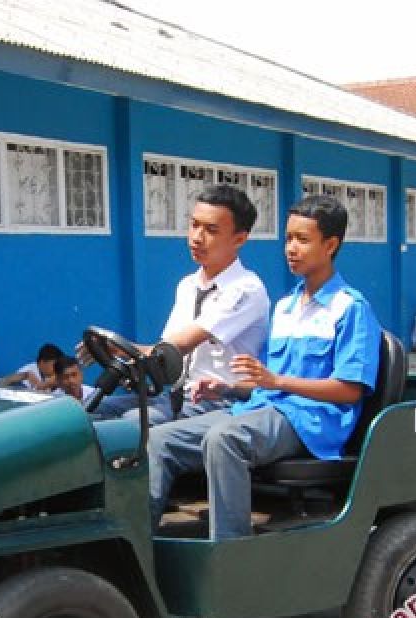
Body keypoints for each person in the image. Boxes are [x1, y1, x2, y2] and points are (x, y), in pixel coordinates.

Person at [148, 194, 381, 539]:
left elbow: (349, 391)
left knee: (224, 439)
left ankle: (231, 551)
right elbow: (263, 384)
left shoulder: (350, 308)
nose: (291, 248)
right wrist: (226, 387)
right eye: (288, 238)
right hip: (265, 407)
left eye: (303, 240)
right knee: (158, 439)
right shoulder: (286, 307)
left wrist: (277, 381)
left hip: (312, 421)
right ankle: (140, 547)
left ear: (330, 245)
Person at [90, 184, 271, 424]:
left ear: (239, 239)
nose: (197, 237)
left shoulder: (246, 289)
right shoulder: (188, 285)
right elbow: (164, 352)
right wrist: (114, 349)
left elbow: (174, 349)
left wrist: (122, 347)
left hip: (221, 402)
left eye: (211, 230)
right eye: (194, 225)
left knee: (133, 424)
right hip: (179, 397)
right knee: (90, 410)